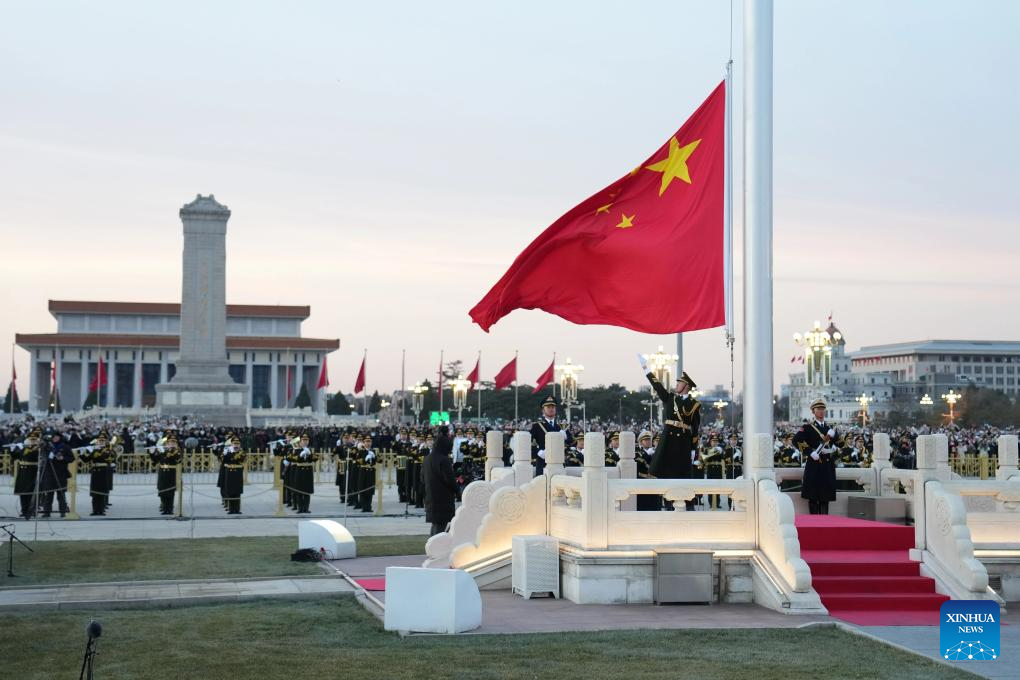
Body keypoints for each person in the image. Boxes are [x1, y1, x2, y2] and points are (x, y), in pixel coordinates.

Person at [639, 355, 700, 510]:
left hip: (683, 441)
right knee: (666, 470)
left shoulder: (694, 404)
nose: (677, 384)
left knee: (682, 472)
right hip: (669, 439)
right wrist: (646, 369)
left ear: (686, 386)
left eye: (679, 382)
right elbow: (657, 385)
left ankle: (687, 502)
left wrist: (694, 450)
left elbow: (695, 428)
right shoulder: (670, 398)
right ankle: (668, 502)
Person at [793, 398, 839, 515]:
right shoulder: (808, 427)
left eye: (823, 409)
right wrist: (809, 452)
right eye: (818, 409)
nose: (821, 411)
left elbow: (841, 444)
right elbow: (796, 440)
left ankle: (825, 524)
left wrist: (835, 439)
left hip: (827, 465)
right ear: (813, 411)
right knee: (813, 497)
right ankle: (814, 523)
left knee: (825, 497)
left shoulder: (830, 428)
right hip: (814, 464)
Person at [422, 429, 457, 536]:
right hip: (443, 498)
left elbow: (422, 478)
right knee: (440, 527)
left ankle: (431, 546)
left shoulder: (427, 459)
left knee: (435, 525)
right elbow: (449, 479)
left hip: (430, 496)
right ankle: (435, 549)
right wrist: (457, 490)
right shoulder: (444, 460)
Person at [77, 430, 115, 516]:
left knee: (101, 491)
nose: (100, 442)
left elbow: (109, 458)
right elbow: (86, 460)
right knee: (95, 491)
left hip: (103, 471)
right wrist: (82, 453)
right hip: (95, 471)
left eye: (102, 441)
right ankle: (95, 510)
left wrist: (99, 452)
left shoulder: (108, 450)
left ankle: (101, 510)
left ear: (105, 441)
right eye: (99, 441)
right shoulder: (94, 450)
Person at [530, 396, 571, 475]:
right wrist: (538, 452)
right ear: (543, 410)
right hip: (543, 461)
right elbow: (528, 443)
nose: (551, 409)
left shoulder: (562, 426)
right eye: (548, 407)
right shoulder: (537, 426)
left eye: (553, 407)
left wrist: (566, 437)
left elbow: (572, 442)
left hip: (559, 461)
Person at [11, 427, 43, 519]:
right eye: (30, 438)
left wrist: (32, 448)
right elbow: (16, 457)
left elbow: (34, 456)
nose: (31, 440)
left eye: (33, 439)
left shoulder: (38, 448)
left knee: (32, 492)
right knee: (23, 492)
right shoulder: (23, 447)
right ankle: (24, 510)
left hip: (32, 470)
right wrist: (13, 450)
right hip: (23, 471)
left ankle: (32, 510)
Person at [40, 431, 73, 517]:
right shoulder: (47, 447)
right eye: (53, 437)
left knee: (61, 495)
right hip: (49, 473)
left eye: (57, 437)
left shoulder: (65, 447)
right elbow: (42, 457)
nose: (55, 438)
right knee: (48, 495)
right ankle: (47, 512)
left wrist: (63, 458)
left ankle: (62, 511)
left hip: (61, 473)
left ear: (60, 437)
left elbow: (71, 458)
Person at [150, 432, 182, 516]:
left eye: (172, 442)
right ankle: (164, 507)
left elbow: (177, 459)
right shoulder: (163, 450)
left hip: (170, 472)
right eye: (169, 442)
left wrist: (164, 451)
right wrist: (152, 453)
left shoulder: (177, 451)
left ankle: (170, 508)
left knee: (170, 492)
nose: (170, 443)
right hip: (162, 472)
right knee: (162, 491)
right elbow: (155, 460)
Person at [221, 432, 246, 514]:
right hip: (229, 472)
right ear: (231, 444)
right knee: (230, 490)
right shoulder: (228, 451)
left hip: (238, 472)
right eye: (234, 443)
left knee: (237, 491)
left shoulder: (241, 452)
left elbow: (241, 459)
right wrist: (227, 453)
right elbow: (223, 461)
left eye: (237, 444)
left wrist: (233, 453)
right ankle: (231, 509)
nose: (236, 445)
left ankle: (237, 509)